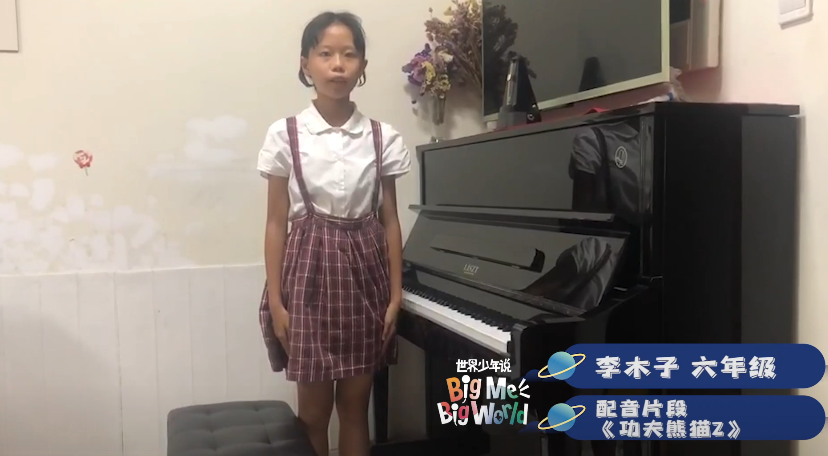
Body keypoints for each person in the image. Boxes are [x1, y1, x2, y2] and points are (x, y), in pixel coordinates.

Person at [256, 11, 410, 456]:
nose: (338, 65)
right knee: (313, 413)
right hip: (306, 281)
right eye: (325, 54)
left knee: (355, 409)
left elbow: (390, 220)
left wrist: (395, 297)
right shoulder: (285, 134)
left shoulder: (382, 137)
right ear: (305, 63)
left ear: (362, 66)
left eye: (349, 54)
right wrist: (277, 302)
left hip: (366, 281)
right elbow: (275, 223)